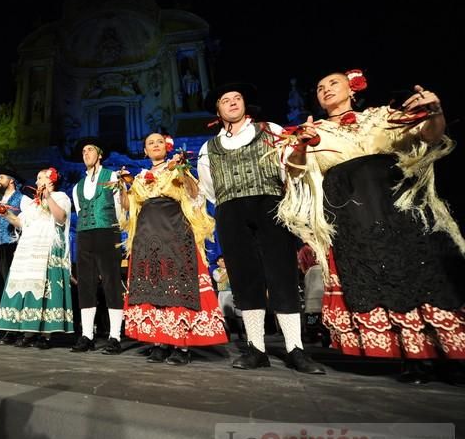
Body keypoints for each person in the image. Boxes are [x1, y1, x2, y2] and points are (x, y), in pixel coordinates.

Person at [283, 69, 465, 383]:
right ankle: (414, 357)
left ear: (352, 89)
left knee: (421, 272)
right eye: (320, 87)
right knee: (378, 276)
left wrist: (435, 110)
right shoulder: (314, 130)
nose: (325, 90)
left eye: (333, 84)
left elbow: (429, 135)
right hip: (353, 215)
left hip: (397, 205)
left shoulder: (380, 117)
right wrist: (300, 146)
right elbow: (294, 169)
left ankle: (450, 354)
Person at [197, 83, 325, 374]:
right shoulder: (208, 148)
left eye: (237, 98)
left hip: (269, 204)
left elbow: (291, 167)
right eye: (225, 100)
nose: (232, 103)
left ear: (245, 104)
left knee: (281, 273)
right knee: (244, 278)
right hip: (231, 210)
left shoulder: (271, 130)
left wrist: (302, 146)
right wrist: (232, 203)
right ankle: (256, 348)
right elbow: (209, 188)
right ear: (218, 110)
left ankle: (295, 348)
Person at [120, 132, 227, 365]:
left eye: (159, 141)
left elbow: (195, 194)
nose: (155, 145)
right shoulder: (139, 178)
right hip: (148, 236)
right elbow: (128, 206)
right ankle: (159, 343)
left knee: (177, 286)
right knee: (153, 286)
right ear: (145, 151)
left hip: (174, 233)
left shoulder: (176, 168)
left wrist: (182, 170)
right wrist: (121, 186)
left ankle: (181, 345)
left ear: (167, 147)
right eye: (150, 143)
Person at [0, 167, 75, 347]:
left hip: (46, 247)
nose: (37, 182)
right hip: (28, 249)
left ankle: (45, 335)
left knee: (44, 289)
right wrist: (5, 213)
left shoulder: (61, 197)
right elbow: (21, 222)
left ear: (51, 180)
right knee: (28, 287)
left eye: (40, 178)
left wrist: (48, 197)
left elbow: (61, 218)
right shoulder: (32, 203)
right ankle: (29, 332)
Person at [69, 137, 125, 355]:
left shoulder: (111, 176)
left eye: (90, 150)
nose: (85, 154)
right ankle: (87, 335)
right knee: (86, 284)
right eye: (83, 151)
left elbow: (120, 208)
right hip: (85, 235)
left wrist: (115, 233)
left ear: (99, 154)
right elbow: (81, 212)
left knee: (111, 281)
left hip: (107, 232)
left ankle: (115, 336)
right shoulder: (77, 187)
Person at [0, 167, 30, 343]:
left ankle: (12, 326)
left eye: (1, 177)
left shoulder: (23, 199)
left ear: (11, 180)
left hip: (11, 246)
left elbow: (25, 224)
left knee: (10, 286)